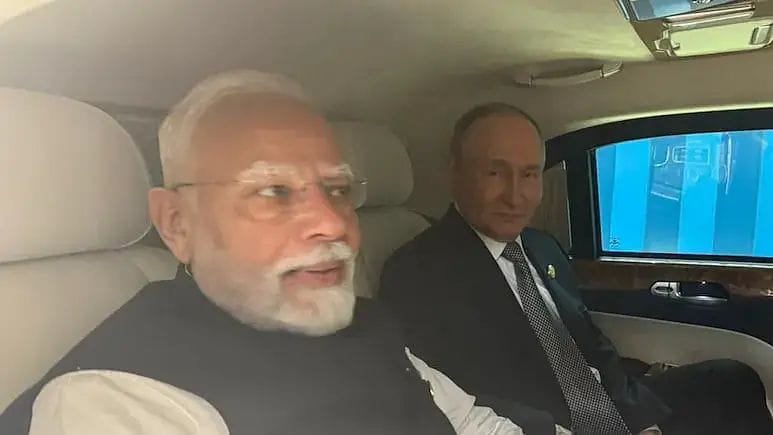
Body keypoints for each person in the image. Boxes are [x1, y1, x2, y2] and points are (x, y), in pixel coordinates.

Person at [0, 73, 552, 434]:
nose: (333, 223)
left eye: (338, 190)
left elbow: (472, 424)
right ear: (177, 224)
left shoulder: (362, 323)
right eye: (273, 192)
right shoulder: (113, 401)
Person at [380, 102, 773, 435]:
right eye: (495, 173)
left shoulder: (542, 247)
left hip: (609, 406)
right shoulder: (418, 272)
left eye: (529, 174)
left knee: (732, 378)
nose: (515, 196)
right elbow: (454, 396)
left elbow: (590, 343)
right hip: (549, 424)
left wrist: (642, 420)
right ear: (455, 172)